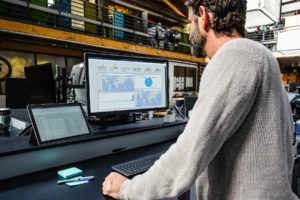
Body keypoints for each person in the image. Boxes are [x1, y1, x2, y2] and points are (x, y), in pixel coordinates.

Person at [103, 0, 298, 199]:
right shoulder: (263, 56)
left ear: (203, 16)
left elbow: (188, 156)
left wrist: (127, 189)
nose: (188, 34)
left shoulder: (236, 55)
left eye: (190, 22)